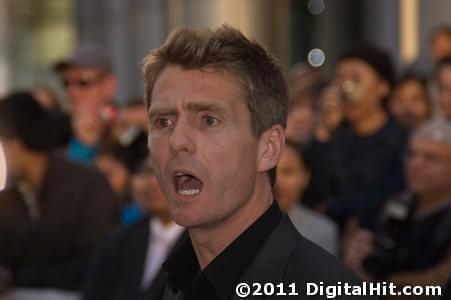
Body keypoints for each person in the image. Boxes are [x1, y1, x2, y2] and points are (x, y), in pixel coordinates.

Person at [143, 25, 368, 300]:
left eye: (209, 120)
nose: (177, 141)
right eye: (163, 122)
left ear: (269, 148)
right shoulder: (171, 283)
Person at [0, 92, 117, 293]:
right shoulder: (7, 195)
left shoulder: (87, 185)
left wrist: (20, 278)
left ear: (15, 144)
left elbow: (98, 262)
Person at [343, 120, 451, 296]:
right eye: (411, 154)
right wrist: (355, 257)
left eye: (431, 158)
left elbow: (438, 285)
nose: (416, 164)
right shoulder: (392, 205)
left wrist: (380, 287)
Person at [305, 44, 408, 226]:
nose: (345, 87)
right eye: (339, 78)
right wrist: (323, 130)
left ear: (383, 87)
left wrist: (334, 207)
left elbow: (395, 195)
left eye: (356, 78)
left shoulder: (402, 139)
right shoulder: (334, 136)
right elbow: (311, 193)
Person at [83, 157, 185, 300]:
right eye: (149, 172)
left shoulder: (201, 246)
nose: (152, 182)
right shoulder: (117, 240)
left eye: (166, 173)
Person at [54, 44, 118, 163]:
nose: (72, 91)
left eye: (84, 81)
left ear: (109, 84)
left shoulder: (126, 129)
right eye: (66, 82)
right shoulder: (55, 130)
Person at [274, 140, 338, 255]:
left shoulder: (322, 231)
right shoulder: (239, 224)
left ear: (306, 177)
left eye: (288, 172)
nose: (277, 182)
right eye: (271, 172)